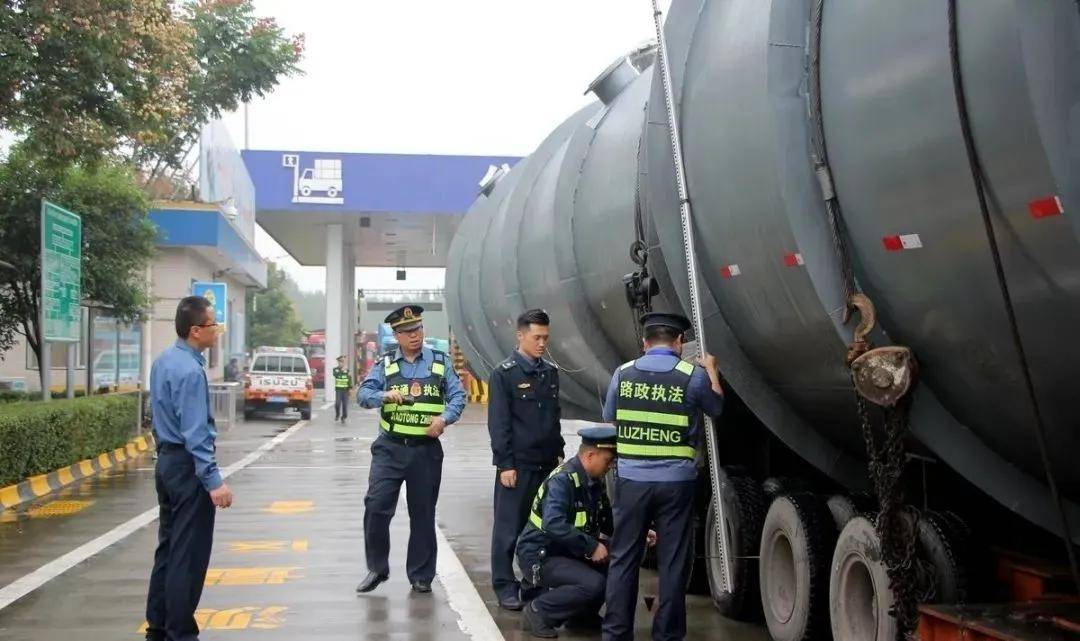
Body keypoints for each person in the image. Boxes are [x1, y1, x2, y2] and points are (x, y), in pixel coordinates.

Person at [601, 312, 724, 641]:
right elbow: (716, 407)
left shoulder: (623, 374)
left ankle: (615, 634)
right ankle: (667, 635)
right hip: (676, 484)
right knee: (673, 562)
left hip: (631, 482)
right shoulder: (692, 375)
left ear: (645, 343)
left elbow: (610, 419)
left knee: (624, 558)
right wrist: (710, 369)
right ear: (679, 343)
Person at [354, 304, 466, 594]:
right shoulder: (386, 363)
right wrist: (383, 395)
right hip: (390, 448)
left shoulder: (440, 362)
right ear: (397, 336)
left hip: (425, 451)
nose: (413, 335)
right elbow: (363, 395)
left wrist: (444, 419)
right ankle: (377, 568)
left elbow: (457, 397)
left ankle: (421, 575)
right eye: (406, 332)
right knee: (376, 506)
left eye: (417, 329)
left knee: (423, 513)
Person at [145, 296, 234, 641]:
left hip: (167, 463)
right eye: (213, 325)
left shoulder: (164, 361)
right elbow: (196, 433)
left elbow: (160, 416)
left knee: (168, 549)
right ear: (196, 331)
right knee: (189, 555)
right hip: (186, 467)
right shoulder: (190, 371)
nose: (217, 331)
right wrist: (214, 482)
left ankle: (158, 625)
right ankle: (180, 632)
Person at [488, 308, 564, 611]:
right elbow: (499, 423)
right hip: (517, 467)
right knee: (508, 529)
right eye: (537, 338)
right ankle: (505, 586)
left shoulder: (550, 372)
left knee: (541, 530)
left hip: (546, 464)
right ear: (520, 336)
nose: (542, 343)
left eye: (546, 338)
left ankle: (533, 583)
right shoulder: (504, 374)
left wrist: (559, 454)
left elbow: (553, 418)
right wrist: (505, 464)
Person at [516, 427, 616, 638]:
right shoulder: (564, 481)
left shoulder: (593, 482)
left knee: (617, 560)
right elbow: (554, 524)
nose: (610, 466)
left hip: (566, 550)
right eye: (608, 461)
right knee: (594, 584)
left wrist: (639, 533)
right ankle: (538, 612)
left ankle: (581, 616)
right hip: (540, 554)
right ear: (590, 455)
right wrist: (591, 546)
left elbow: (608, 520)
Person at [332, 355, 352, 423]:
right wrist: (342, 370)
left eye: (343, 362)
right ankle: (337, 414)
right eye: (340, 362)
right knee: (337, 403)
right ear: (338, 362)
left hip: (345, 390)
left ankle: (344, 417)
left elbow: (349, 379)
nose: (341, 363)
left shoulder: (347, 370)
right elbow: (336, 375)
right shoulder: (335, 369)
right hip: (338, 390)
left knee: (345, 405)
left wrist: (350, 388)